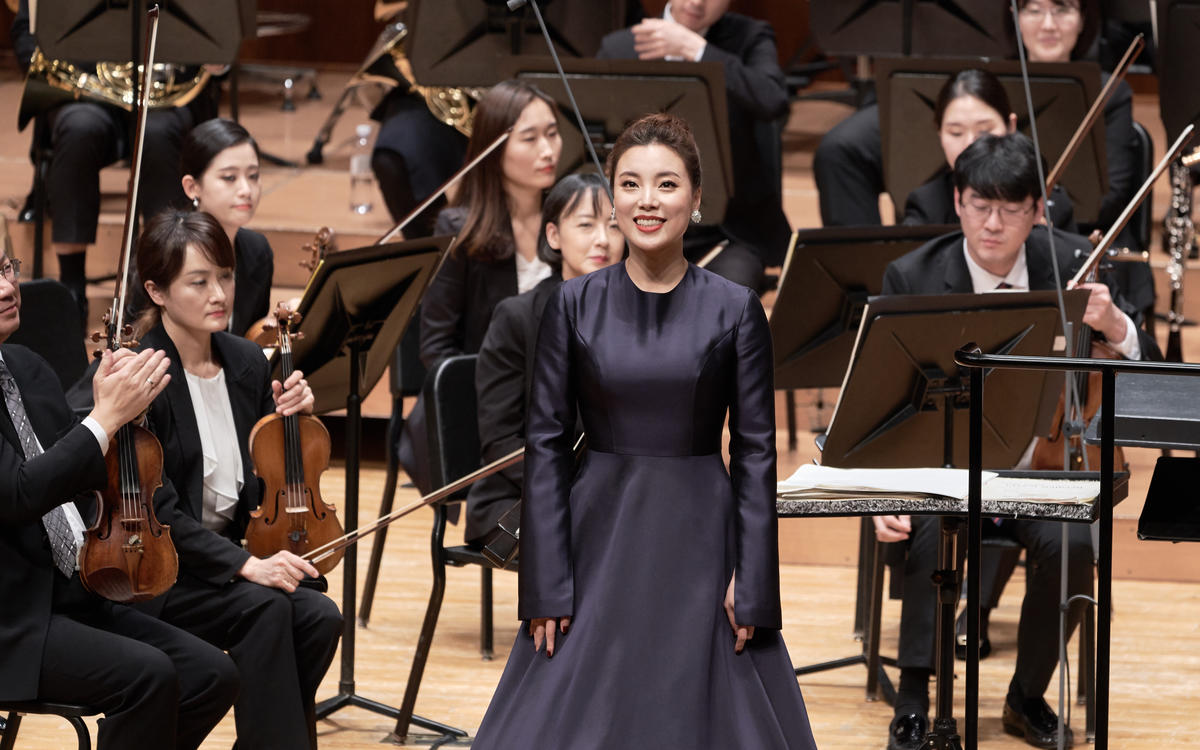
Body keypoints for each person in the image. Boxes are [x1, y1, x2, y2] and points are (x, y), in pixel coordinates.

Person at [470, 113, 817, 749]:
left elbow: (755, 453)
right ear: (612, 199)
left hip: (700, 534)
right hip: (598, 531)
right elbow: (545, 447)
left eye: (665, 184)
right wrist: (544, 582)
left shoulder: (736, 307)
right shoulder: (572, 304)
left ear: (696, 199)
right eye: (629, 185)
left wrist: (756, 579)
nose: (646, 201)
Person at [875, 132, 1156, 750]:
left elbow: (1147, 373)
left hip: (1045, 467)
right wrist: (888, 493)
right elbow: (885, 403)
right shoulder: (913, 276)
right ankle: (917, 700)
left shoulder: (1076, 262)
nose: (993, 223)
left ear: (1037, 210)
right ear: (957, 201)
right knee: (928, 529)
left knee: (1073, 542)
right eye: (980, 205)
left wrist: (1116, 327)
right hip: (947, 472)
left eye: (1011, 208)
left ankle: (1026, 698)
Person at [0, 250, 239, 749]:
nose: (6, 287)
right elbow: (19, 493)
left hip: (73, 593)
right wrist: (102, 420)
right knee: (149, 676)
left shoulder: (28, 368)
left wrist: (126, 418)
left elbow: (83, 474)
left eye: (5, 268)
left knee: (210, 674)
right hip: (13, 617)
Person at [133, 211, 343, 750]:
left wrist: (292, 420)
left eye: (224, 277)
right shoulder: (141, 377)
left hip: (227, 563)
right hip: (164, 572)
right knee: (266, 606)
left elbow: (267, 478)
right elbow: (160, 513)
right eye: (198, 282)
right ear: (157, 291)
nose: (218, 293)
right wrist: (246, 565)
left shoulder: (247, 361)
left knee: (319, 615)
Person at [815, 0, 1122, 230]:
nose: (1048, 25)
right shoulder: (981, 80)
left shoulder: (1110, 92)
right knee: (840, 148)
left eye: (1062, 10)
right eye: (1033, 10)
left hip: (1054, 227)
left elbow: (1111, 195)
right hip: (967, 219)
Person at [10, 0, 220, 325]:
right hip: (85, 91)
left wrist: (216, 55)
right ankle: (71, 286)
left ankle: (158, 275)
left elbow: (213, 28)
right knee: (79, 128)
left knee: (159, 132)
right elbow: (27, 31)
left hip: (162, 93)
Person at [400, 79, 563, 493]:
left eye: (553, 133)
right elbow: (436, 348)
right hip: (485, 413)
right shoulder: (462, 230)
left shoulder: (571, 221)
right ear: (495, 146)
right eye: (530, 138)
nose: (548, 150)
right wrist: (502, 400)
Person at [465, 172, 623, 547]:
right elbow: (500, 441)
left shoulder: (635, 318)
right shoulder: (517, 318)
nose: (602, 239)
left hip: (615, 496)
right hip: (519, 499)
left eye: (614, 226)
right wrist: (579, 489)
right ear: (554, 236)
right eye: (586, 225)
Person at [597, 0, 791, 292]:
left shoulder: (749, 37)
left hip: (727, 233)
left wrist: (697, 50)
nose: (697, 2)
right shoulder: (620, 48)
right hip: (638, 225)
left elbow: (773, 99)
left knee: (726, 299)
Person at [902, 68, 1076, 230]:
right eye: (956, 132)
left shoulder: (1051, 200)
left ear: (1011, 127)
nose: (970, 143)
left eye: (984, 131)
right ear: (940, 134)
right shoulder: (925, 205)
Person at [179, 118, 275, 337]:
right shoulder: (168, 252)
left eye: (253, 176)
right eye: (229, 177)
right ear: (192, 187)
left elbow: (247, 343)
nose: (245, 189)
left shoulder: (257, 251)